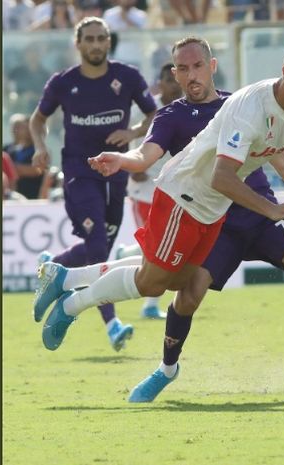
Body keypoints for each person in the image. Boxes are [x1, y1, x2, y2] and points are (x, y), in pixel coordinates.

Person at [34, 38, 284, 401]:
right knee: (165, 286)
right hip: (190, 200)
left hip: (241, 211)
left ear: (212, 67)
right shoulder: (236, 109)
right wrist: (279, 209)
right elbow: (207, 173)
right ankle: (92, 311)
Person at [29, 16, 158, 351]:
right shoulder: (63, 82)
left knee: (100, 250)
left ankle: (51, 266)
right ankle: (112, 324)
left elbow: (154, 115)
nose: (97, 44)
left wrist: (131, 133)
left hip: (116, 172)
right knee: (99, 245)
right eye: (90, 38)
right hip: (79, 171)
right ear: (78, 43)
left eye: (102, 38)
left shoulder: (127, 77)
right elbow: (38, 118)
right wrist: (41, 146)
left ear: (109, 42)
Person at [117, 62, 183, 319]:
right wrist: (134, 164)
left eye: (176, 78)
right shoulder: (147, 112)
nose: (174, 84)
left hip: (173, 189)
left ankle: (129, 252)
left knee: (163, 248)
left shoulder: (187, 108)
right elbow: (133, 141)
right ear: (161, 82)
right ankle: (151, 306)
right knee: (158, 252)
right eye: (169, 79)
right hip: (145, 190)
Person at [3, 113, 45, 199]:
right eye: (13, 126)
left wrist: (9, 168)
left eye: (19, 126)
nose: (15, 130)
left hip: (32, 199)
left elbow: (38, 170)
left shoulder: (39, 150)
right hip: (10, 199)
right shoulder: (6, 149)